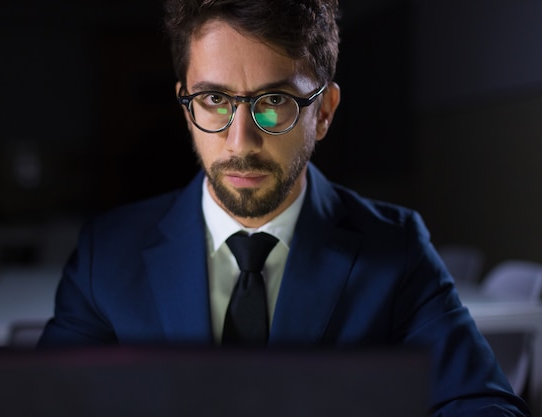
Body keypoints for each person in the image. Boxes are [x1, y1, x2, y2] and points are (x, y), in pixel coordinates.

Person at [39, 0, 530, 415]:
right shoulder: (107, 252)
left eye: (274, 99)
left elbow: (482, 404)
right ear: (186, 106)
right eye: (214, 99)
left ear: (325, 113)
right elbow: (49, 401)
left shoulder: (395, 247)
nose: (240, 140)